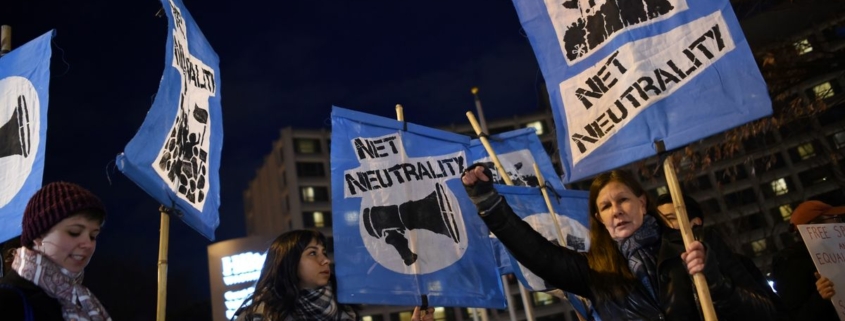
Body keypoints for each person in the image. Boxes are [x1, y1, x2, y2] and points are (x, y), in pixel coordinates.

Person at [462, 165, 778, 320]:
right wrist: (490, 204)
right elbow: (538, 254)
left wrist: (715, 283)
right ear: (599, 219)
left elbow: (766, 312)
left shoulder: (697, 244)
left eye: (623, 200)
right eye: (606, 206)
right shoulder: (595, 272)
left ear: (642, 203)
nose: (617, 211)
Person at [234, 229, 434, 321]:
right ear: (289, 262)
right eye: (312, 253)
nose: (325, 260)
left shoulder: (345, 310)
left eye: (323, 252)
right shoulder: (261, 316)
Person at [655, 192, 791, 320]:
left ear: (696, 223)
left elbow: (768, 310)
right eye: (660, 222)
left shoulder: (739, 263)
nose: (664, 228)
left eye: (670, 219)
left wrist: (718, 284)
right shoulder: (662, 276)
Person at [0, 181, 112, 321]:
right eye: (74, 232)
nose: (88, 244)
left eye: (93, 236)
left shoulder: (88, 304)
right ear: (39, 236)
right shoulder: (8, 301)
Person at [771, 200, 843, 320]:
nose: (839, 224)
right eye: (833, 218)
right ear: (814, 226)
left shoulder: (836, 252)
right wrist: (820, 297)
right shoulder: (791, 262)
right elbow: (796, 315)